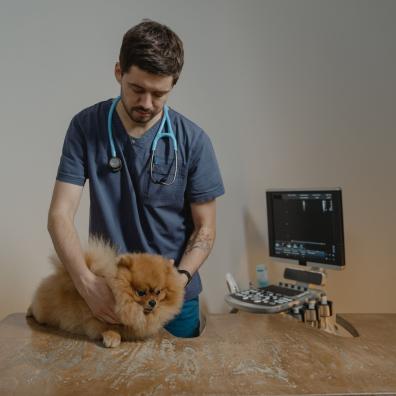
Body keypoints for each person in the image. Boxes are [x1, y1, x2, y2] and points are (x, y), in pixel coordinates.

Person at [47, 19, 225, 338]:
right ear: (119, 72)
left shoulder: (194, 141)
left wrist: (179, 281)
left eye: (159, 94)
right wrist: (86, 284)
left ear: (173, 84)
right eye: (137, 89)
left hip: (173, 301)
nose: (146, 103)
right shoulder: (85, 128)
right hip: (111, 295)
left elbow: (205, 227)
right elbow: (59, 214)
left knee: (181, 384)